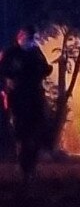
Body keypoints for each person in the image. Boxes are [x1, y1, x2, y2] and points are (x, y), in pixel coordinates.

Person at [0, 25, 52, 182]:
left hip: (35, 96)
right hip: (18, 98)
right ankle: (24, 168)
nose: (22, 38)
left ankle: (31, 166)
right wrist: (7, 86)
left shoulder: (36, 53)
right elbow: (3, 71)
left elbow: (44, 69)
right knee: (21, 133)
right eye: (21, 34)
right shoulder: (11, 54)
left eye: (26, 35)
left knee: (35, 131)